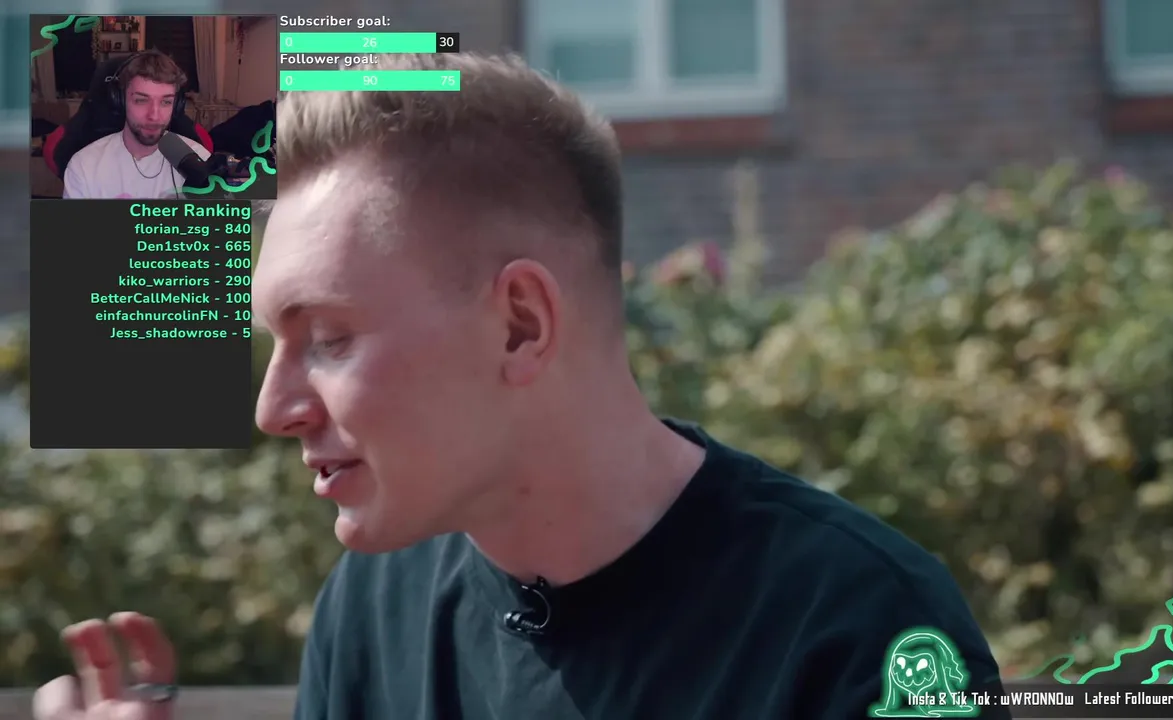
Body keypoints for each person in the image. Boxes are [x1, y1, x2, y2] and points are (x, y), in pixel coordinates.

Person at [33, 53, 1011, 719]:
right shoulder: (372, 608)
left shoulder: (859, 629)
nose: (272, 407)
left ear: (521, 325)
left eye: (327, 339)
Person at [61, 50, 209, 199]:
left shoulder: (199, 160)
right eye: (141, 100)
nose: (154, 116)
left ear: (176, 105)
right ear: (120, 100)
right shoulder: (84, 166)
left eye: (166, 102)